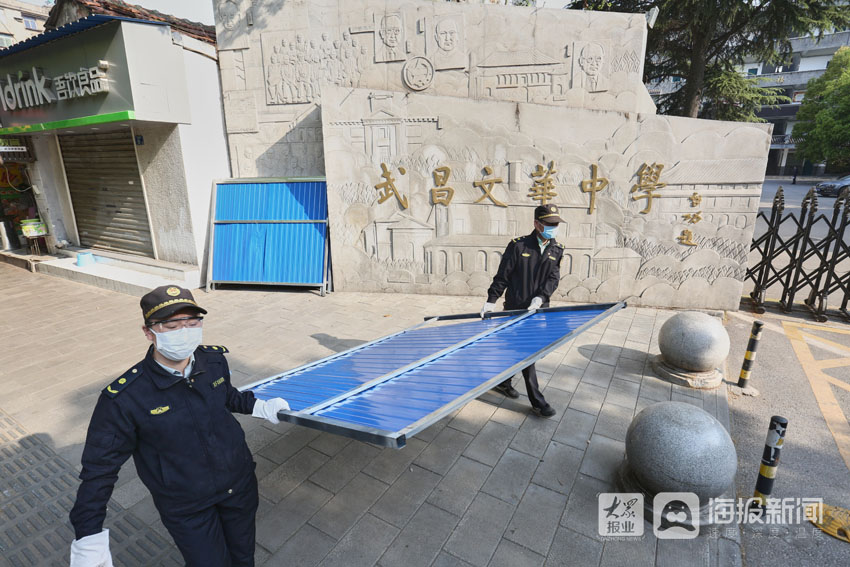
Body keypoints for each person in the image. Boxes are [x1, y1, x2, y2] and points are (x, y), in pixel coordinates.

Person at [68, 285, 289, 567]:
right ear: (149, 332)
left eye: (192, 322)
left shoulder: (213, 359)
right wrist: (88, 536)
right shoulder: (125, 398)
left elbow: (227, 396)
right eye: (172, 325)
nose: (185, 331)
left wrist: (258, 406)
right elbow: (99, 470)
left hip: (239, 484)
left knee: (244, 556)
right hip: (187, 506)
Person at [480, 204, 566, 418]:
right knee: (528, 354)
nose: (553, 228)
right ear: (537, 224)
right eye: (549, 224)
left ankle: (503, 381)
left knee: (518, 350)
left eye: (556, 224)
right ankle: (538, 402)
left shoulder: (557, 249)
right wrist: (491, 300)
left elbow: (553, 278)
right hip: (515, 309)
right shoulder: (518, 246)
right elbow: (503, 276)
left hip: (538, 311)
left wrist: (541, 297)